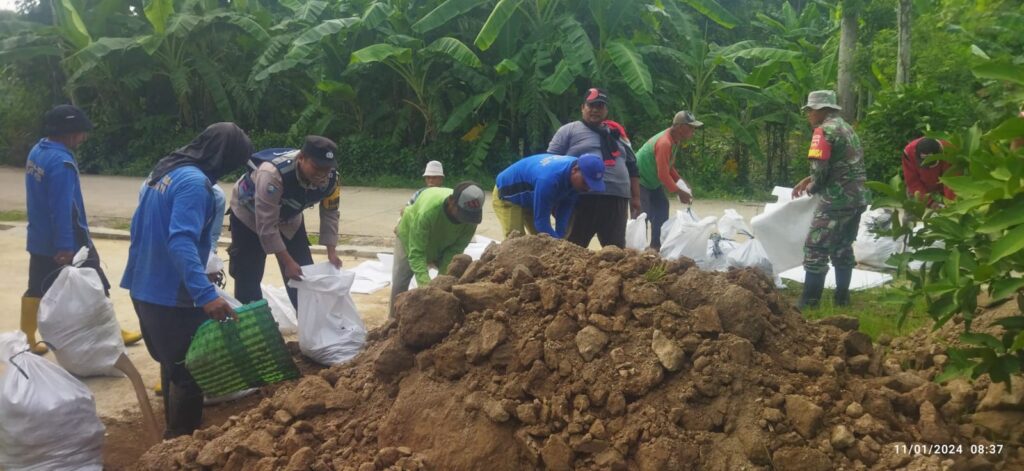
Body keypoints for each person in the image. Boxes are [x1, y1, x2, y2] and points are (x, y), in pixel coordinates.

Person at [120, 122, 254, 438]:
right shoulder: (194, 184)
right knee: (191, 373)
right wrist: (206, 294)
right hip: (171, 294)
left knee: (174, 365)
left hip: (145, 287)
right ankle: (181, 447)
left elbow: (139, 228)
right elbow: (181, 241)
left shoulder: (166, 172)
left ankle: (172, 441)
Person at [22, 105, 142, 355]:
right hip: (70, 238)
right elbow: (63, 207)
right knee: (97, 282)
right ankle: (112, 332)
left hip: (39, 236)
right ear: (69, 133)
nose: (83, 137)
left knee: (36, 286)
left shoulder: (37, 150)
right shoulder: (62, 162)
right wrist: (65, 245)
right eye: (80, 132)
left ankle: (27, 338)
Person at [228, 136, 343, 308]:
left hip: (289, 219)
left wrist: (331, 252)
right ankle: (254, 326)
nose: (321, 174)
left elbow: (330, 212)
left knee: (302, 275)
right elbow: (266, 225)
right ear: (301, 158)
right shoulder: (272, 175)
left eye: (326, 169)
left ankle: (308, 327)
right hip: (250, 217)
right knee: (248, 276)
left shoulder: (332, 179)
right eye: (316, 167)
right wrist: (287, 261)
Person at [792, 90, 869, 308]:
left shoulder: (822, 131)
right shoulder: (846, 128)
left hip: (836, 199)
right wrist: (808, 178)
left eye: (810, 111)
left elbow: (821, 171)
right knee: (843, 246)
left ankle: (809, 301)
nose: (808, 115)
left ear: (820, 111)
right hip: (857, 197)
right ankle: (842, 298)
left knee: (816, 247)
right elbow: (843, 163)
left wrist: (812, 185)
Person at [547, 88, 640, 248]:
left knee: (615, 251)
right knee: (572, 248)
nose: (595, 110)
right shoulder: (569, 130)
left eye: (600, 106)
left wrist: (636, 197)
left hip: (616, 198)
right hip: (581, 197)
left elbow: (632, 166)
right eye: (591, 106)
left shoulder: (617, 133)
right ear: (583, 107)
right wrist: (554, 197)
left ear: (606, 110)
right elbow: (550, 162)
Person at [389, 182, 485, 318]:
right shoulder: (429, 212)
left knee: (453, 276)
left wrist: (441, 285)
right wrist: (427, 288)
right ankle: (392, 323)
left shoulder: (471, 220)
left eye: (468, 216)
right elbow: (417, 253)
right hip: (410, 237)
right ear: (451, 202)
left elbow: (454, 250)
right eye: (462, 214)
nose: (465, 221)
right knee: (400, 282)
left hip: (443, 244)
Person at [493, 154, 606, 239]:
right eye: (586, 183)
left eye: (592, 185)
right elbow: (541, 221)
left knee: (542, 240)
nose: (587, 189)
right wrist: (556, 245)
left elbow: (564, 211)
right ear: (575, 170)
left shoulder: (575, 178)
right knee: (516, 241)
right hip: (508, 195)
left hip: (532, 196)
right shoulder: (549, 180)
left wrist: (560, 239)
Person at [635, 111, 703, 250]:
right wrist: (679, 192)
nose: (693, 131)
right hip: (639, 179)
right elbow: (663, 175)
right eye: (690, 127)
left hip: (651, 181)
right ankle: (635, 251)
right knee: (642, 215)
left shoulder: (673, 140)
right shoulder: (665, 142)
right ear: (680, 127)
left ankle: (656, 246)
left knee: (661, 208)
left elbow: (668, 167)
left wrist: (681, 183)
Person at [902, 137, 955, 208]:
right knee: (912, 213)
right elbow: (912, 181)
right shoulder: (908, 152)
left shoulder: (949, 150)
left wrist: (951, 205)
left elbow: (951, 181)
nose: (927, 167)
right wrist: (930, 203)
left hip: (941, 185)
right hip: (919, 187)